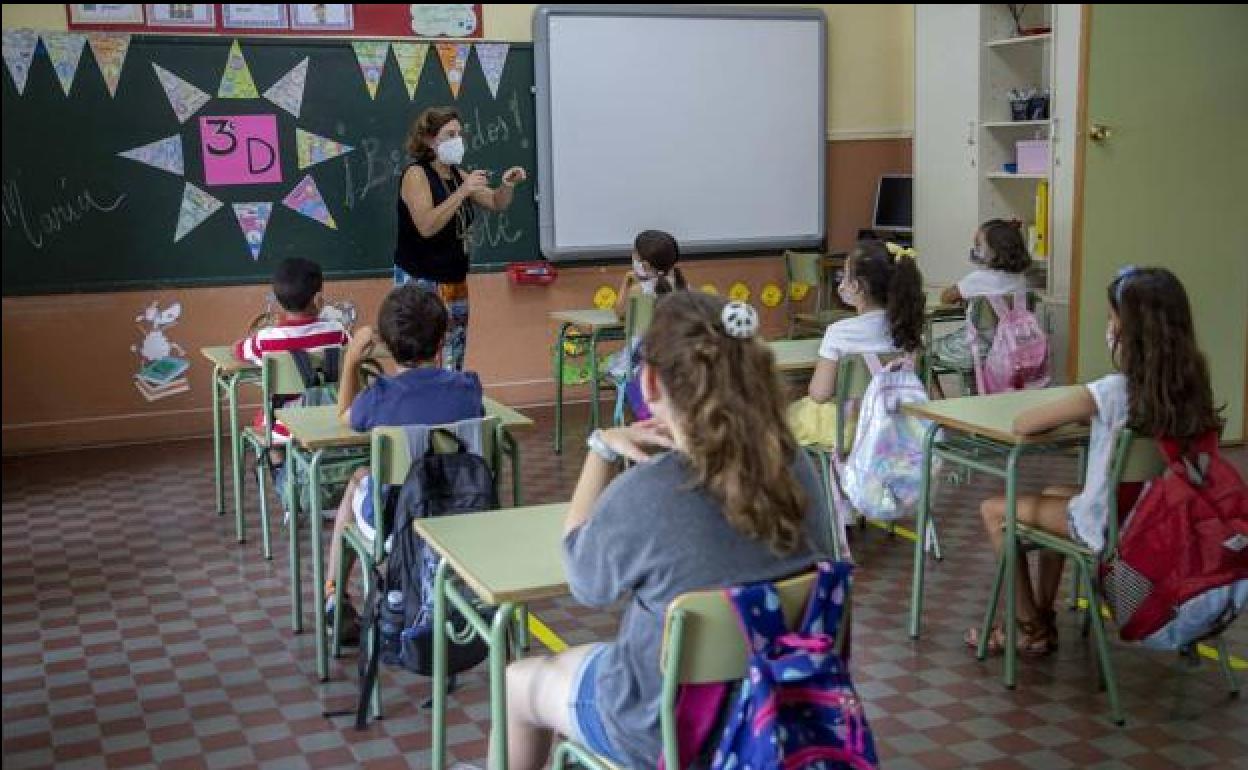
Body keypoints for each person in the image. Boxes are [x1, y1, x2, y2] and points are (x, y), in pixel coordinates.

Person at [494, 291, 835, 769]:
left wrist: (601, 449)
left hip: (665, 731)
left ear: (649, 381)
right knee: (605, 656)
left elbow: (584, 580)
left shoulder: (646, 492)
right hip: (778, 711)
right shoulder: (799, 470)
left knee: (518, 682)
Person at [965, 266, 1221, 656]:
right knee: (1053, 492)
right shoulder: (1192, 384)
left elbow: (1024, 422)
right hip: (1162, 516)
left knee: (994, 511)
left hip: (1109, 524)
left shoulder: (1111, 390)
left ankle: (1027, 624)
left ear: (1129, 330)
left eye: (1111, 318)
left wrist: (1087, 408)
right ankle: (1043, 618)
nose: (1108, 326)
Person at [323, 284, 484, 643]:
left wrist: (351, 360)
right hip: (460, 515)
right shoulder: (468, 388)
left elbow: (345, 415)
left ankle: (333, 594)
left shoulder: (379, 396)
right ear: (443, 339)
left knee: (359, 478)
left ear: (386, 343)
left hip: (396, 524)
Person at [393, 106, 528, 371]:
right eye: (450, 134)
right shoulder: (416, 174)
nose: (458, 140)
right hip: (421, 280)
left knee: (453, 355)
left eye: (459, 134)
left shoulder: (456, 174)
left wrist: (507, 185)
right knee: (421, 356)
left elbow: (495, 202)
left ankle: (449, 403)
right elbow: (426, 225)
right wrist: (462, 192)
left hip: (454, 279)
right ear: (430, 139)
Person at [788, 240, 924, 447]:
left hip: (850, 429)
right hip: (898, 426)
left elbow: (819, 393)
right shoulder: (909, 330)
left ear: (859, 286)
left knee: (789, 421)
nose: (841, 284)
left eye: (845, 276)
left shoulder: (839, 333)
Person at [233, 257, 348, 446]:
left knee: (267, 429)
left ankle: (279, 469)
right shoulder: (336, 331)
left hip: (283, 424)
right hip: (328, 418)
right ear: (319, 299)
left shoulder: (267, 338)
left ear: (278, 301)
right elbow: (349, 349)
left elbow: (239, 351)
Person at [930, 218, 1032, 371]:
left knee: (925, 350)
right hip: (1015, 347)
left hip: (979, 350)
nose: (975, 250)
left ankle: (940, 395)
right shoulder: (1021, 280)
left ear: (995, 251)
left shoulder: (979, 279)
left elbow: (946, 297)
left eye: (978, 245)